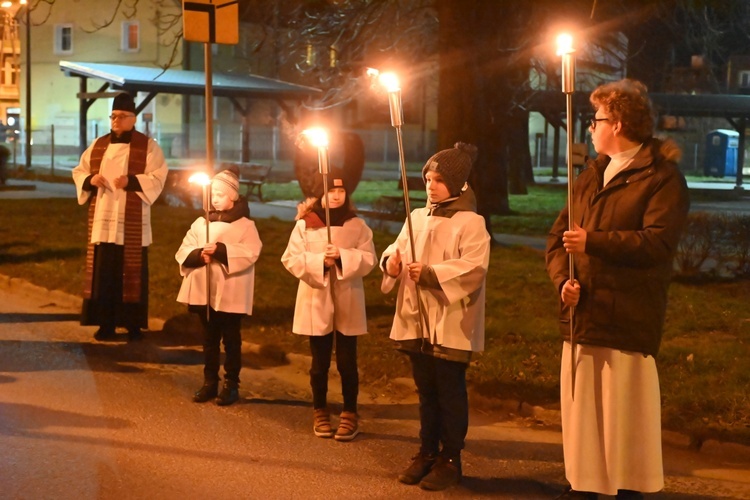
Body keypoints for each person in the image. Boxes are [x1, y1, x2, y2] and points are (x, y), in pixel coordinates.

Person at [545, 79, 690, 499]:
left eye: (597, 119)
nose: (591, 128)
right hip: (583, 312)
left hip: (626, 316)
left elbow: (658, 242)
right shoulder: (591, 175)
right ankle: (586, 484)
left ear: (619, 123)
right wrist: (563, 283)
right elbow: (557, 240)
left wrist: (594, 241)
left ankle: (625, 487)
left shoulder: (661, 179)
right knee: (584, 413)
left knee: (622, 415)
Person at [380, 143, 490, 491]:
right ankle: (427, 451)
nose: (430, 185)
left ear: (458, 183)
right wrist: (392, 263)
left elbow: (473, 268)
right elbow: (395, 249)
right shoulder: (416, 218)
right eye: (428, 177)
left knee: (449, 391)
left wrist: (429, 273)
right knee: (426, 390)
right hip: (416, 316)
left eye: (440, 179)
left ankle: (450, 457)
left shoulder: (471, 223)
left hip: (449, 319)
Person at [281, 171, 377, 441]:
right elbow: (291, 258)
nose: (336, 196)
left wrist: (343, 257)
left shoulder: (356, 225)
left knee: (348, 361)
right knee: (319, 362)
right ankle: (320, 409)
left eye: (341, 191)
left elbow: (369, 258)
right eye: (330, 191)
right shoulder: (306, 224)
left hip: (347, 296)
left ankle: (349, 412)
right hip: (317, 297)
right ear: (320, 194)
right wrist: (317, 263)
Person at [72, 92, 168, 341]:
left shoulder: (147, 147)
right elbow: (80, 170)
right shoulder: (99, 144)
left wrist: (132, 180)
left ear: (133, 119)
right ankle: (105, 324)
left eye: (121, 116)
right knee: (104, 273)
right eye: (113, 116)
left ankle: (133, 324)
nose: (115, 120)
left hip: (130, 222)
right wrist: (90, 179)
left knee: (131, 271)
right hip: (104, 217)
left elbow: (159, 175)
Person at [176, 167, 262, 406]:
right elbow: (184, 248)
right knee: (209, 338)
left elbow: (251, 252)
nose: (215, 198)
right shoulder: (201, 223)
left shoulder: (245, 226)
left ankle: (231, 384)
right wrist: (197, 255)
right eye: (212, 194)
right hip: (205, 288)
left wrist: (222, 251)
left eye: (221, 194)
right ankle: (209, 382)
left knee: (231, 339)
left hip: (230, 289)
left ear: (233, 197)